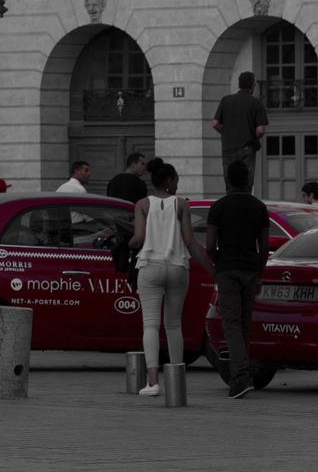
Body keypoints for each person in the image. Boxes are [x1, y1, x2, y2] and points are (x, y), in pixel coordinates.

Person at [128, 158, 211, 397]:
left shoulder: (142, 204)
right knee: (174, 325)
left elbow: (138, 239)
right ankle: (177, 381)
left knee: (150, 324)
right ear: (169, 181)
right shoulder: (181, 204)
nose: (178, 183)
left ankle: (153, 382)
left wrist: (125, 243)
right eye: (177, 180)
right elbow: (190, 242)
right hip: (177, 267)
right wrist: (211, 269)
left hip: (149, 267)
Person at [206, 157, 271, 399]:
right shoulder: (259, 207)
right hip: (250, 270)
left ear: (227, 180)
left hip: (228, 271)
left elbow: (210, 244)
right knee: (243, 325)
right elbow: (263, 248)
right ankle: (240, 377)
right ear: (248, 180)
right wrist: (259, 274)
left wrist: (217, 261)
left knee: (231, 324)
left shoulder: (219, 207)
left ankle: (241, 377)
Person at [212, 73, 269, 181]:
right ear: (252, 85)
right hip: (247, 148)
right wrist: (254, 136)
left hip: (228, 148)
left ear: (239, 84)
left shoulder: (226, 100)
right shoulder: (256, 102)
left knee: (230, 181)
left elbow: (215, 123)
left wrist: (224, 132)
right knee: (245, 182)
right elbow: (261, 130)